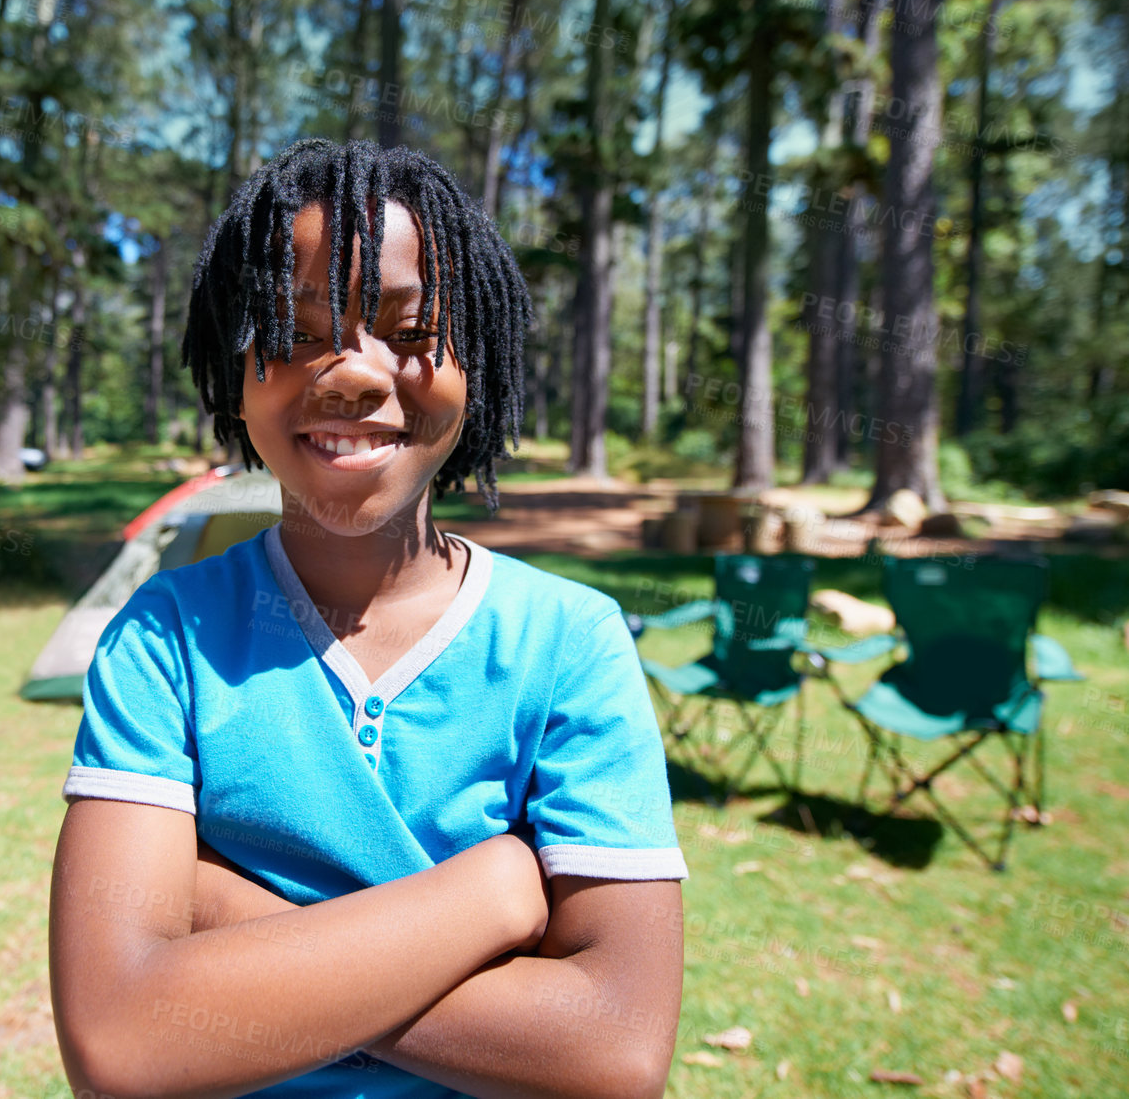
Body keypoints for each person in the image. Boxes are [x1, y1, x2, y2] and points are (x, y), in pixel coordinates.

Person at [48, 137, 686, 1099]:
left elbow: (613, 1050)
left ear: (482, 358)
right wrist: (490, 895)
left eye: (411, 326)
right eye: (295, 328)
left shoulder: (569, 642)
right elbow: (122, 1040)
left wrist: (217, 910)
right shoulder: (166, 637)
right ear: (236, 367)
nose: (351, 373)